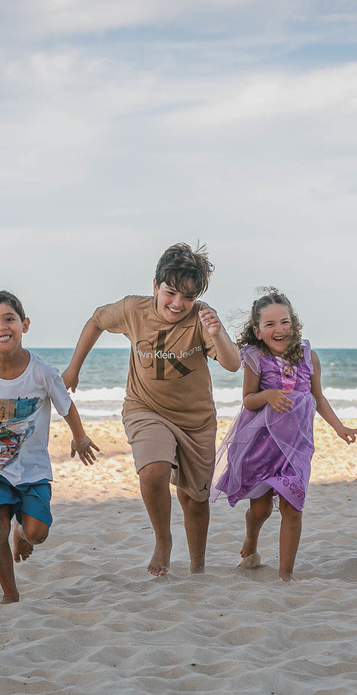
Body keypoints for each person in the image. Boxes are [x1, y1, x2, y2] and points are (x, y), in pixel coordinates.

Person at [61, 243, 240, 576]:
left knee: (195, 499)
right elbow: (96, 321)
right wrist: (74, 369)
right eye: (170, 293)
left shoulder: (202, 318)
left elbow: (232, 364)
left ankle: (197, 567)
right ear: (155, 286)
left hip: (195, 422)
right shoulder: (133, 310)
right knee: (153, 472)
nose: (177, 304)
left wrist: (218, 334)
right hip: (145, 408)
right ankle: (163, 541)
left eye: (188, 297)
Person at [0, 290, 99, 604]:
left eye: (9, 319)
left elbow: (66, 406)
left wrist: (80, 437)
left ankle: (23, 533)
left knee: (38, 533)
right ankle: (10, 594)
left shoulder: (42, 372)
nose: (1, 327)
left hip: (33, 470)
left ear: (24, 324)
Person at [211, 288, 357, 581]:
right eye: (270, 325)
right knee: (260, 510)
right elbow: (248, 400)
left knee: (292, 508)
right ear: (257, 331)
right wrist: (268, 394)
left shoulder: (310, 356)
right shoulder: (257, 358)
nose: (279, 329)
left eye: (284, 322)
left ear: (293, 324)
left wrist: (339, 426)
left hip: (296, 448)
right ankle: (251, 540)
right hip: (261, 446)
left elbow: (317, 397)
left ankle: (285, 575)